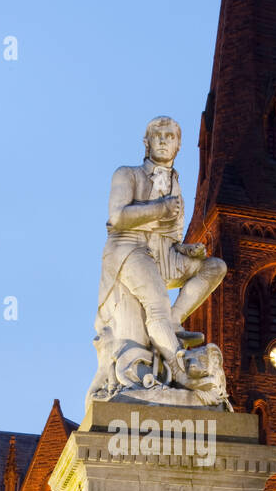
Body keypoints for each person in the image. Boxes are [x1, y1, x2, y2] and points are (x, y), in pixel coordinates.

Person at [92, 117, 226, 393]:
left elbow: (172, 236)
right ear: (147, 143)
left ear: (178, 146)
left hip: (163, 253)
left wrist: (185, 249)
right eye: (158, 135)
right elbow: (116, 218)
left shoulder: (176, 184)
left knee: (215, 266)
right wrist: (160, 208)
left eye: (170, 136)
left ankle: (173, 321)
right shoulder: (126, 174)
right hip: (129, 247)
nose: (164, 140)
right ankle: (179, 371)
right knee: (156, 304)